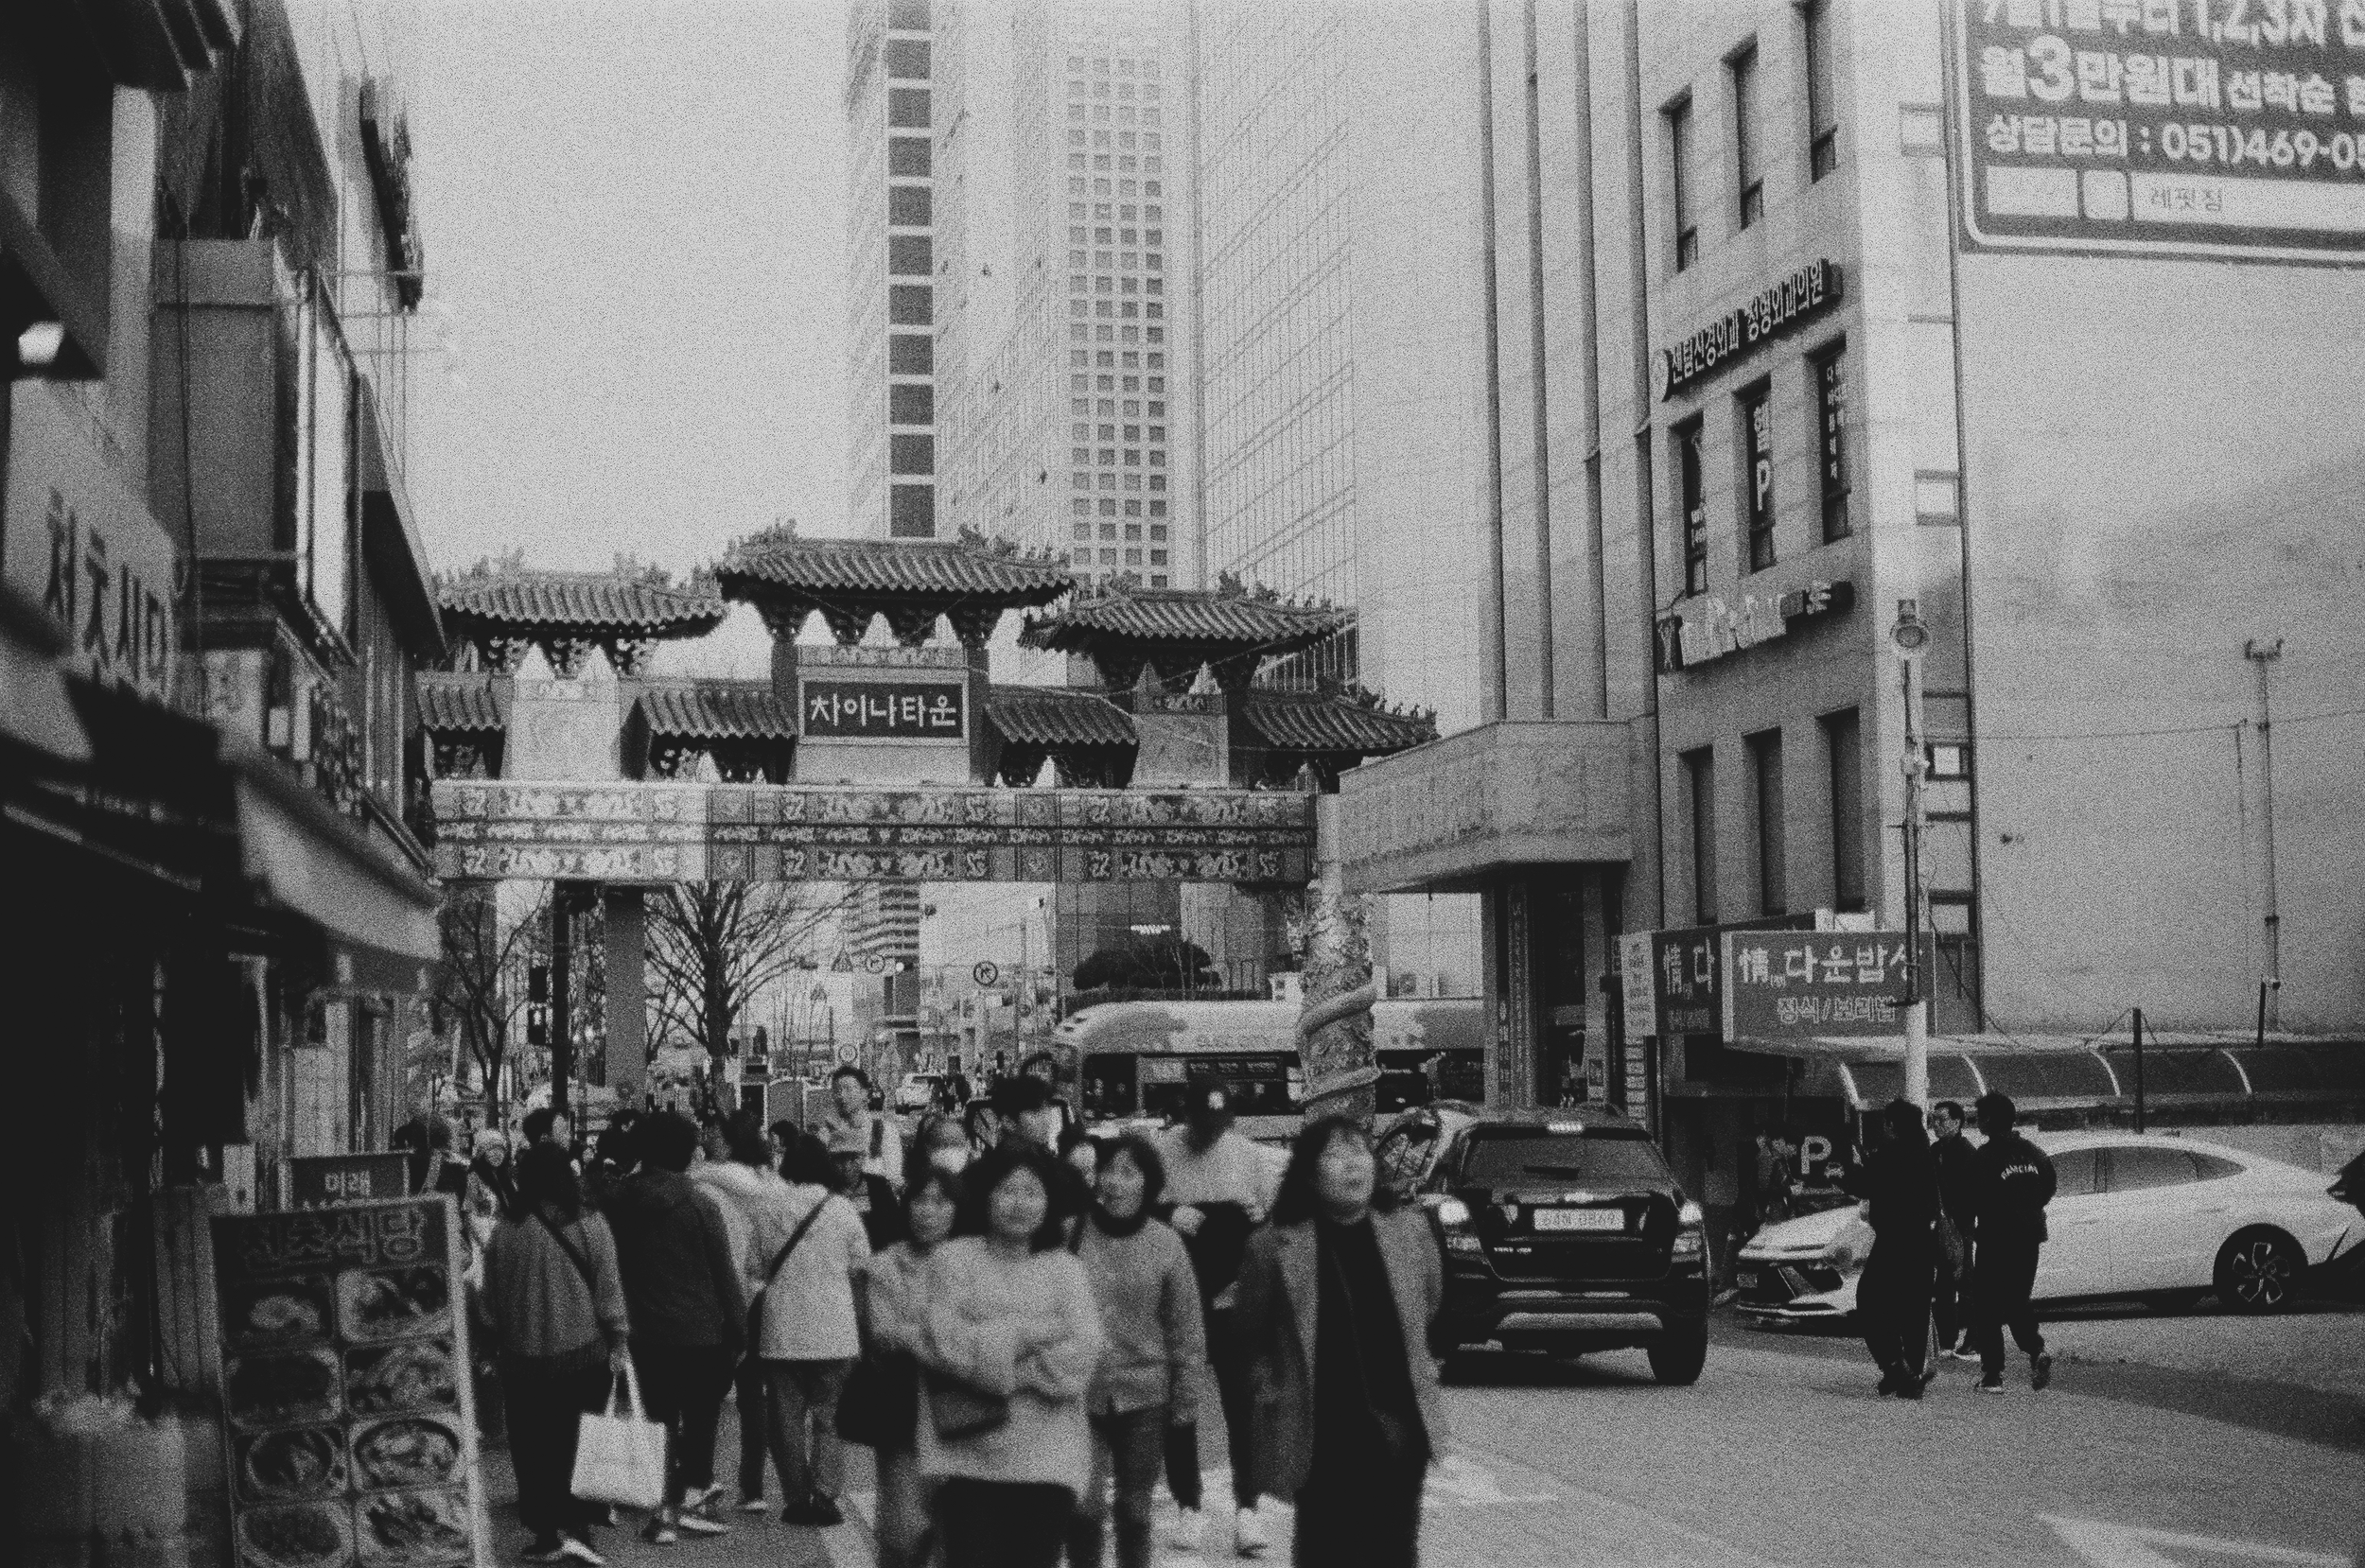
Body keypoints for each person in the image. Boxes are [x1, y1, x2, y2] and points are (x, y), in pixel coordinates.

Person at [1233, 1117, 1444, 1568]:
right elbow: (1250, 1336)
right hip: (1319, 1428)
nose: (1353, 1165)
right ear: (1309, 1173)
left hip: (1399, 1421)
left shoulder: (1409, 1231)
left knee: (1395, 1550)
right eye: (1335, 1154)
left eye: (1360, 1152)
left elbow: (1427, 1304)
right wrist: (1273, 1390)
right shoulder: (1272, 1246)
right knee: (1325, 1549)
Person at [915, 1141, 1104, 1568]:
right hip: (967, 1455)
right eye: (1007, 1189)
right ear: (985, 1194)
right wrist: (1030, 1334)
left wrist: (1010, 1372)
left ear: (1048, 1202)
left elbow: (1084, 1351)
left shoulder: (1065, 1269)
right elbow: (944, 1344)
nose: (1019, 1203)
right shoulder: (952, 1260)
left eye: (1031, 1192)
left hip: (1049, 1456)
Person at [481, 1142, 631, 1566]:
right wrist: (618, 1338)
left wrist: (491, 1342)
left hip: (521, 1357)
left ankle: (545, 1531)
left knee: (532, 1443)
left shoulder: (506, 1230)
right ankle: (580, 1527)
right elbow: (608, 1287)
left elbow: (489, 1300)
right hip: (583, 1353)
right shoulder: (591, 1223)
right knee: (581, 1440)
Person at [601, 1112, 745, 1542]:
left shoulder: (619, 1201)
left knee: (658, 1419)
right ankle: (693, 1497)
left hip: (645, 1332)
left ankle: (663, 1513)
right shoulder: (701, 1203)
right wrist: (739, 1329)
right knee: (702, 1416)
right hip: (703, 1331)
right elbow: (724, 1274)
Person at [1154, 1081, 1277, 1557]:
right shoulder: (1162, 1153)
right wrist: (1169, 1213)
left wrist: (1254, 1213)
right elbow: (1137, 1214)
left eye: (1218, 1126)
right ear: (1186, 1118)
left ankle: (1248, 1507)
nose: (1210, 1136)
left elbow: (1270, 1224)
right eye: (1202, 1126)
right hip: (1179, 1301)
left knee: (1242, 1405)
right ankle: (1189, 1504)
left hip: (1231, 1298)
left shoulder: (1247, 1156)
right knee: (1181, 1406)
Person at [1069, 1136, 1204, 1568]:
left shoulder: (1166, 1243)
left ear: (1149, 1183)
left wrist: (1185, 1399)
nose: (1116, 1181)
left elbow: (1185, 1327)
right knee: (1084, 1509)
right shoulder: (1070, 1231)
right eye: (1108, 1169)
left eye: (1129, 1172)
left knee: (1134, 1510)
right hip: (1079, 1392)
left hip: (1146, 1397)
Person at [750, 1133, 874, 1525]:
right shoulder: (841, 1209)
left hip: (782, 1328)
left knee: (785, 1417)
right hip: (834, 1329)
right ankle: (824, 1494)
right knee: (829, 1417)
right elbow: (861, 1266)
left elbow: (754, 1265)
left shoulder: (770, 1207)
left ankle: (795, 1497)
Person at [855, 1159, 962, 1568]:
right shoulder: (885, 1264)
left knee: (955, 1529)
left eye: (941, 1201)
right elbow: (882, 1334)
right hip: (900, 1408)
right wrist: (947, 1338)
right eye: (920, 1200)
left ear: (957, 1209)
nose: (928, 1210)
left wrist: (919, 1333)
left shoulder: (973, 1262)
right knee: (901, 1533)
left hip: (963, 1410)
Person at [687, 1111, 786, 1513]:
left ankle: (701, 1477)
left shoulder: (715, 1184)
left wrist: (698, 1171)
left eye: (715, 1132)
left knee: (708, 1392)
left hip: (727, 1294)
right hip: (762, 1291)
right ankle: (754, 1486)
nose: (709, 1137)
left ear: (729, 1141)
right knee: (753, 1395)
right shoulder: (770, 1182)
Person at [1843, 1100, 1940, 1399]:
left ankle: (1895, 1366)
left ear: (1894, 1125)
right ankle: (1911, 1375)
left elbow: (1865, 1185)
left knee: (1870, 1302)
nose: (1884, 1127)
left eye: (1886, 1122)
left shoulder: (1891, 1154)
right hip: (1924, 1241)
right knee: (1914, 1309)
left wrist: (1843, 1175)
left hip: (1894, 1240)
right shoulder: (1926, 1154)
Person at [1969, 1091, 2058, 1393]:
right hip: (2029, 1236)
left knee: (1988, 1306)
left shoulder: (1984, 1157)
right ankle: (2036, 1350)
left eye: (1979, 1116)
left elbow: (1974, 1198)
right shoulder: (2034, 1152)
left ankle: (1993, 1375)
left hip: (1996, 1238)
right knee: (2018, 1299)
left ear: (1990, 1120)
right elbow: (2048, 1188)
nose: (1976, 1122)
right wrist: (2027, 1208)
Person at [1928, 1101, 1981, 1361]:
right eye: (1933, 1119)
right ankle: (1948, 1340)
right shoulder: (1936, 1149)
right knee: (1944, 1285)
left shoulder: (1965, 1151)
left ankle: (1974, 1340)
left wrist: (1958, 1223)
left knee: (1965, 1282)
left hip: (1960, 1226)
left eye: (1941, 1119)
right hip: (1941, 1226)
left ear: (1958, 1122)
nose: (1936, 1124)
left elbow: (1970, 1195)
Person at [817, 1066, 905, 1193]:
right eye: (837, 1091)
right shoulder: (826, 1134)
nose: (842, 1096)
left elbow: (893, 1178)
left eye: (848, 1089)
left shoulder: (883, 1131)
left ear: (864, 1093)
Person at [831, 1132, 910, 1252]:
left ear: (862, 1158)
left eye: (853, 1158)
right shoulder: (825, 1190)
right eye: (840, 1159)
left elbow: (895, 1226)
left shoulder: (878, 1186)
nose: (847, 1166)